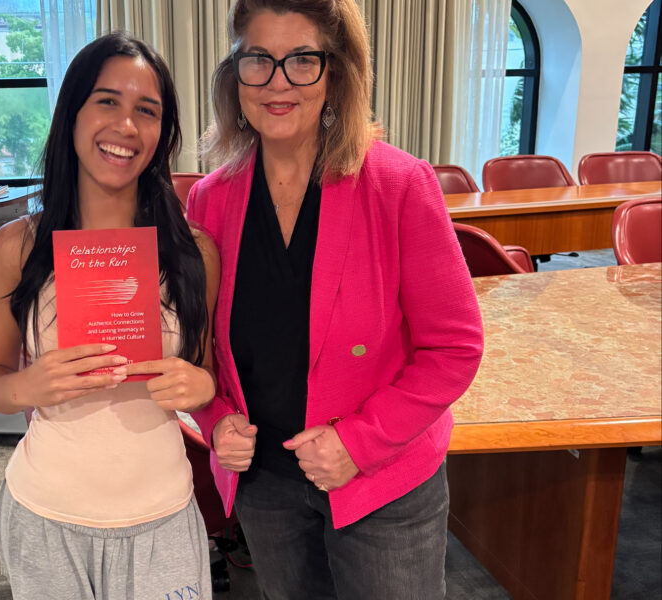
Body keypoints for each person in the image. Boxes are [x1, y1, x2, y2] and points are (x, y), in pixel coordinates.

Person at [187, 1, 484, 598]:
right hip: (264, 481)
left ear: (336, 74)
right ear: (233, 76)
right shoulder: (208, 200)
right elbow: (199, 350)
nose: (278, 83)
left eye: (302, 60)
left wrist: (359, 443)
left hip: (381, 478)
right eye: (258, 61)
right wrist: (215, 421)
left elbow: (453, 348)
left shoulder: (400, 184)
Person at [0, 32, 220, 600]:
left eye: (147, 110)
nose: (126, 126)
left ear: (163, 134)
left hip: (162, 515)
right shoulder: (18, 247)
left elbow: (208, 379)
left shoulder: (194, 252)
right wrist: (26, 385)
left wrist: (198, 383)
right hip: (46, 515)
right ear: (73, 113)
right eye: (107, 101)